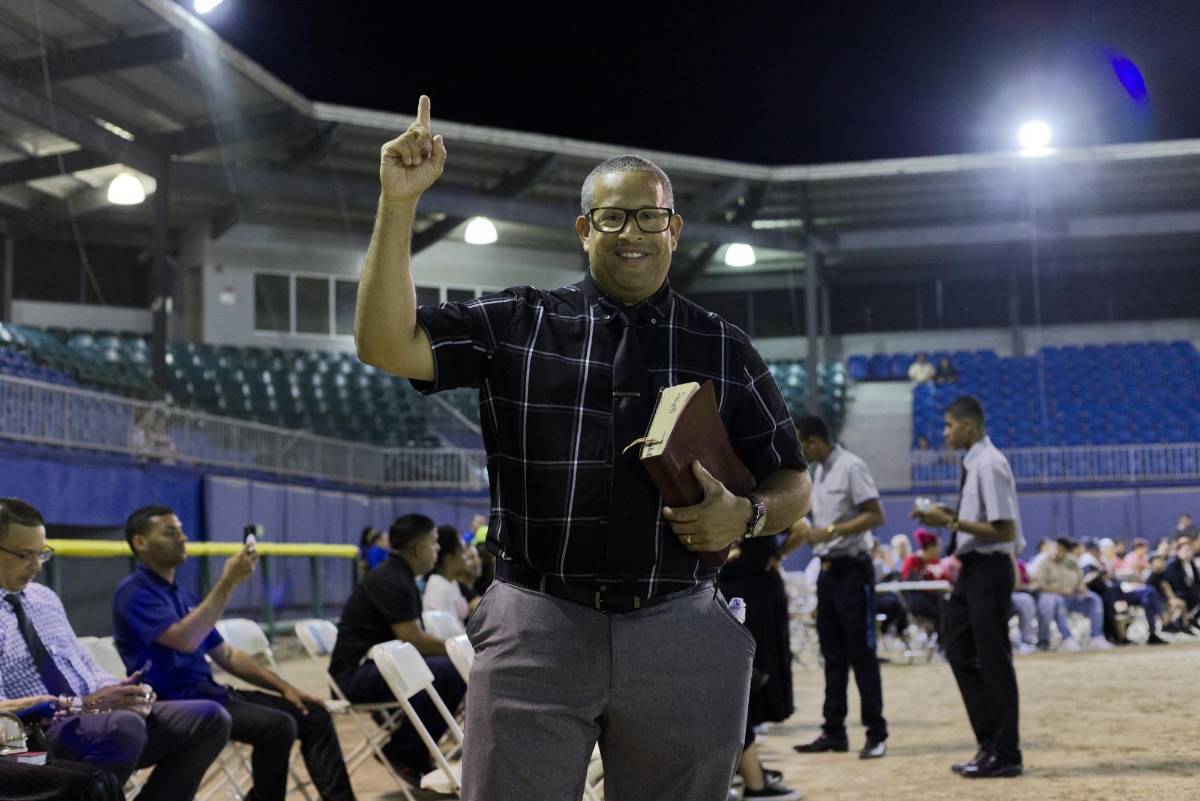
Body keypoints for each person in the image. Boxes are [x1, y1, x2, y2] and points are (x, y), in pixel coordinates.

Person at [353, 95, 811, 801]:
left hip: (681, 622)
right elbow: (385, 342)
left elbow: (793, 480)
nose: (633, 232)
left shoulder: (722, 345)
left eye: (649, 216)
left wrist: (746, 514)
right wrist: (398, 202)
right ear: (584, 228)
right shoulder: (519, 323)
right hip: (538, 619)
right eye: (613, 216)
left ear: (674, 228)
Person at [111, 505, 357, 801]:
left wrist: (286, 688)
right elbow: (184, 640)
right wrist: (228, 582)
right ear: (140, 542)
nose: (182, 538)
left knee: (314, 716)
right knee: (278, 726)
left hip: (211, 692)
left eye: (181, 530)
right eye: (170, 533)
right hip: (175, 703)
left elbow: (226, 654)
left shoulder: (181, 594)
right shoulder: (134, 593)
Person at [0, 498, 229, 801]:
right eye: (24, 555)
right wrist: (83, 704)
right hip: (30, 737)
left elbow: (82, 663)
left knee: (209, 718)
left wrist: (121, 690)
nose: (36, 565)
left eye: (41, 553)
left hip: (90, 716)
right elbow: (6, 715)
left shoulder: (45, 598)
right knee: (122, 727)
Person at [912, 395, 1025, 779]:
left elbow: (1004, 529)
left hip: (989, 568)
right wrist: (947, 515)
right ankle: (989, 744)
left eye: (949, 425)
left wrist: (950, 523)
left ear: (967, 425)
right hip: (972, 570)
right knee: (958, 649)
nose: (945, 433)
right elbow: (981, 521)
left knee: (993, 660)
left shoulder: (989, 464)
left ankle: (1005, 752)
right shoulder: (974, 464)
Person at [328, 514, 466, 785]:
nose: (437, 550)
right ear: (419, 548)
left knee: (445, 671)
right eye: (434, 543)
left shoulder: (400, 576)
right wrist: (457, 651)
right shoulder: (392, 579)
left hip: (378, 668)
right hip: (353, 677)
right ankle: (403, 751)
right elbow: (413, 639)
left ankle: (416, 751)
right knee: (448, 671)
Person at [789, 415, 887, 760]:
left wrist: (830, 531)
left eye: (800, 443)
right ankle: (834, 731)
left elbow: (875, 515)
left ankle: (876, 734)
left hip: (853, 571)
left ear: (814, 441)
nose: (798, 450)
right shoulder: (819, 473)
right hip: (828, 574)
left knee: (862, 654)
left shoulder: (851, 467)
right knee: (832, 655)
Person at [721, 528, 801, 800]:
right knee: (732, 689)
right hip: (731, 595)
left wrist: (776, 555)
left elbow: (801, 528)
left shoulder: (758, 508)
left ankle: (750, 776)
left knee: (736, 689)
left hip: (747, 599)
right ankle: (748, 774)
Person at [1033, 537, 1113, 651]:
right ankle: (1067, 639)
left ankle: (1096, 637)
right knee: (1058, 601)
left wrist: (1081, 587)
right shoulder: (1044, 562)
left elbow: (1080, 581)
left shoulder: (1072, 562)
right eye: (1056, 548)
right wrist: (1060, 591)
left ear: (1066, 551)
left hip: (1073, 597)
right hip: (1055, 599)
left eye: (1061, 550)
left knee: (1094, 599)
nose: (1057, 552)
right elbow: (1040, 585)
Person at [423, 525, 470, 624]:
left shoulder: (451, 583)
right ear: (448, 558)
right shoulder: (438, 588)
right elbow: (443, 631)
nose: (465, 558)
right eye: (462, 552)